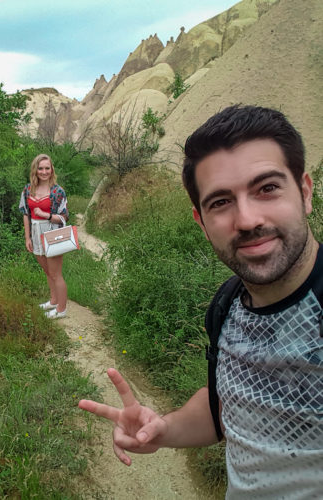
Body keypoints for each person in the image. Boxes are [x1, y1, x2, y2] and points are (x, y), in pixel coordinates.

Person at [78, 105, 323, 498]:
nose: (246, 219)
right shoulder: (228, 305)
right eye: (221, 202)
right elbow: (225, 408)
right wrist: (162, 429)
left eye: (267, 188)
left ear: (305, 192)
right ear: (201, 221)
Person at [19, 153, 69, 319]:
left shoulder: (57, 191)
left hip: (52, 232)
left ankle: (62, 310)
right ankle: (54, 301)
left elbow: (64, 217)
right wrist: (28, 238)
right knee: (47, 272)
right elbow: (26, 213)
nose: (44, 171)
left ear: (51, 169)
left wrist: (46, 215)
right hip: (35, 232)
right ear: (35, 170)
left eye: (47, 168)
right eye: (40, 168)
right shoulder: (28, 189)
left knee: (56, 274)